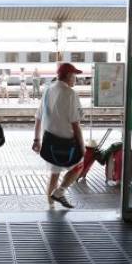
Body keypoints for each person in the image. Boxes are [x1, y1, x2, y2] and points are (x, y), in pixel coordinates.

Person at [33, 63, 85, 208]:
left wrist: (36, 140)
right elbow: (76, 124)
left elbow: (38, 117)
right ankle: (60, 192)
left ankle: (51, 206)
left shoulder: (48, 90)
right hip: (67, 143)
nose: (75, 79)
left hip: (49, 141)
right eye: (74, 75)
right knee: (79, 166)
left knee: (54, 173)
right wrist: (82, 147)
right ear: (68, 76)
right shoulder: (70, 93)